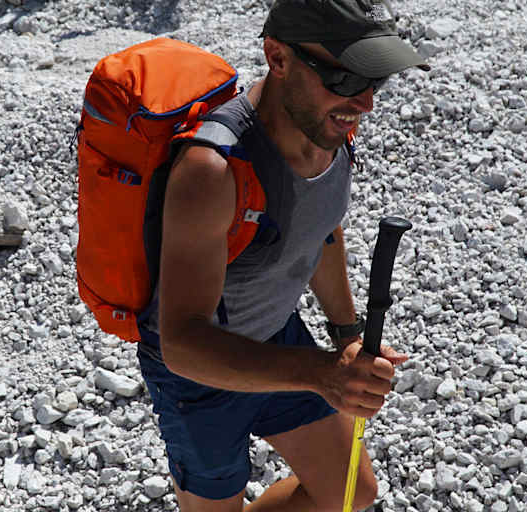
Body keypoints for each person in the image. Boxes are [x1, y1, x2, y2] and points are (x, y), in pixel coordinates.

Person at [135, 0, 430, 510]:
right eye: (343, 80)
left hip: (279, 335)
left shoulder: (328, 129)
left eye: (373, 83)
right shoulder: (213, 171)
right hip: (199, 377)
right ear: (278, 57)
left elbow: (320, 231)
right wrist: (320, 373)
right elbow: (181, 343)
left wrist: (346, 336)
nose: (363, 104)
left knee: (350, 495)